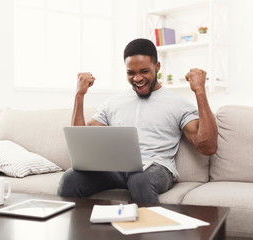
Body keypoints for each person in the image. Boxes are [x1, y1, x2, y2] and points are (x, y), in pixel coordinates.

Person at [57, 38, 218, 203]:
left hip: (155, 169)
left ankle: (149, 227)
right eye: (131, 73)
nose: (137, 78)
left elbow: (208, 146)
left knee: (139, 178)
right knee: (71, 178)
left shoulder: (178, 103)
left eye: (144, 71)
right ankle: (79, 228)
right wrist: (79, 95)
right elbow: (82, 142)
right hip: (116, 169)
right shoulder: (113, 103)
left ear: (157, 67)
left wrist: (200, 91)